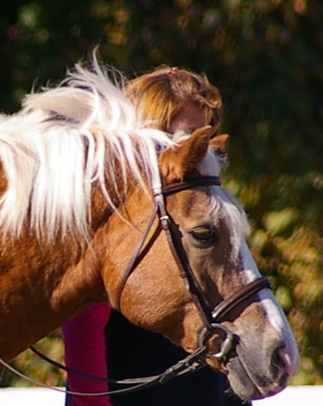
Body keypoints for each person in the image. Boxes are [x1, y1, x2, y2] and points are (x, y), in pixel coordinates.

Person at [64, 66, 235, 406]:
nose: (198, 149)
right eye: (184, 136)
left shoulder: (203, 212)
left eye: (203, 134)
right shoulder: (108, 221)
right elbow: (82, 332)